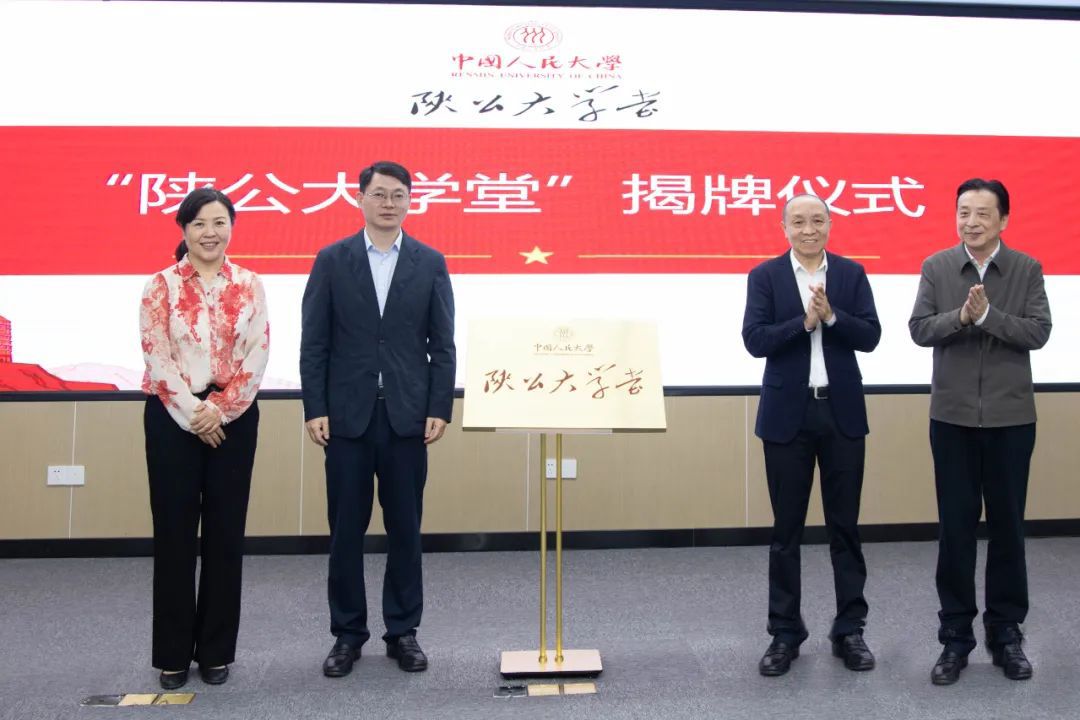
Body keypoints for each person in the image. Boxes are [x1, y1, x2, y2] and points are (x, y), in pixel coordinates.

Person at [300, 160, 456, 678]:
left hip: (408, 418)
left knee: (406, 529)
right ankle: (347, 635)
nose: (389, 203)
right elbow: (315, 342)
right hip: (346, 418)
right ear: (360, 198)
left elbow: (443, 345)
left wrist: (438, 407)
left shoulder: (430, 262)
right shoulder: (332, 260)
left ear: (410, 201)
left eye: (398, 195)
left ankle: (403, 631)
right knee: (345, 530)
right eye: (380, 194)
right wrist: (315, 407)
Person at [909, 178, 1051, 685]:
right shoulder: (937, 266)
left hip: (1012, 420)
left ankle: (1006, 632)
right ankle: (955, 637)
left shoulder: (1027, 268)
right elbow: (920, 329)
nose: (971, 222)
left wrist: (988, 316)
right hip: (952, 419)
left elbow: (1038, 331)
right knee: (956, 531)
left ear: (1003, 219)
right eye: (963, 212)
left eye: (982, 213)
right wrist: (961, 317)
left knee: (1008, 529)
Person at [742, 194, 881, 677]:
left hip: (841, 414)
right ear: (783, 227)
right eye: (798, 221)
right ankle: (784, 633)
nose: (808, 229)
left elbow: (871, 336)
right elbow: (754, 339)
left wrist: (833, 317)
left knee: (845, 529)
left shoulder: (851, 274)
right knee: (786, 532)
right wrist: (803, 323)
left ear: (830, 224)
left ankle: (850, 630)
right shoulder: (765, 276)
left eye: (817, 220)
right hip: (788, 416)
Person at [140, 187, 270, 689]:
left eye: (219, 223)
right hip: (173, 419)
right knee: (174, 537)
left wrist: (220, 411)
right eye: (199, 224)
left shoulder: (250, 284)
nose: (210, 233)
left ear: (231, 228)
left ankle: (216, 651)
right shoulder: (160, 286)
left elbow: (258, 354)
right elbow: (157, 357)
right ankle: (172, 655)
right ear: (184, 229)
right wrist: (196, 413)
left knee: (225, 536)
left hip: (234, 421)